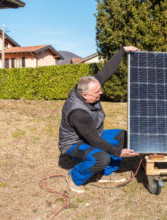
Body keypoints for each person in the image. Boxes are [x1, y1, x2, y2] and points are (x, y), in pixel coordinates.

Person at [58, 46, 140, 193]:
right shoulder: (78, 112)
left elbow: (107, 70)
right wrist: (118, 153)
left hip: (92, 134)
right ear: (85, 96)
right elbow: (94, 140)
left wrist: (123, 50)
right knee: (101, 158)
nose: (101, 92)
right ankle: (74, 176)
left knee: (124, 135)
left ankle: (103, 172)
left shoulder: (87, 86)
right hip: (74, 143)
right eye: (97, 92)